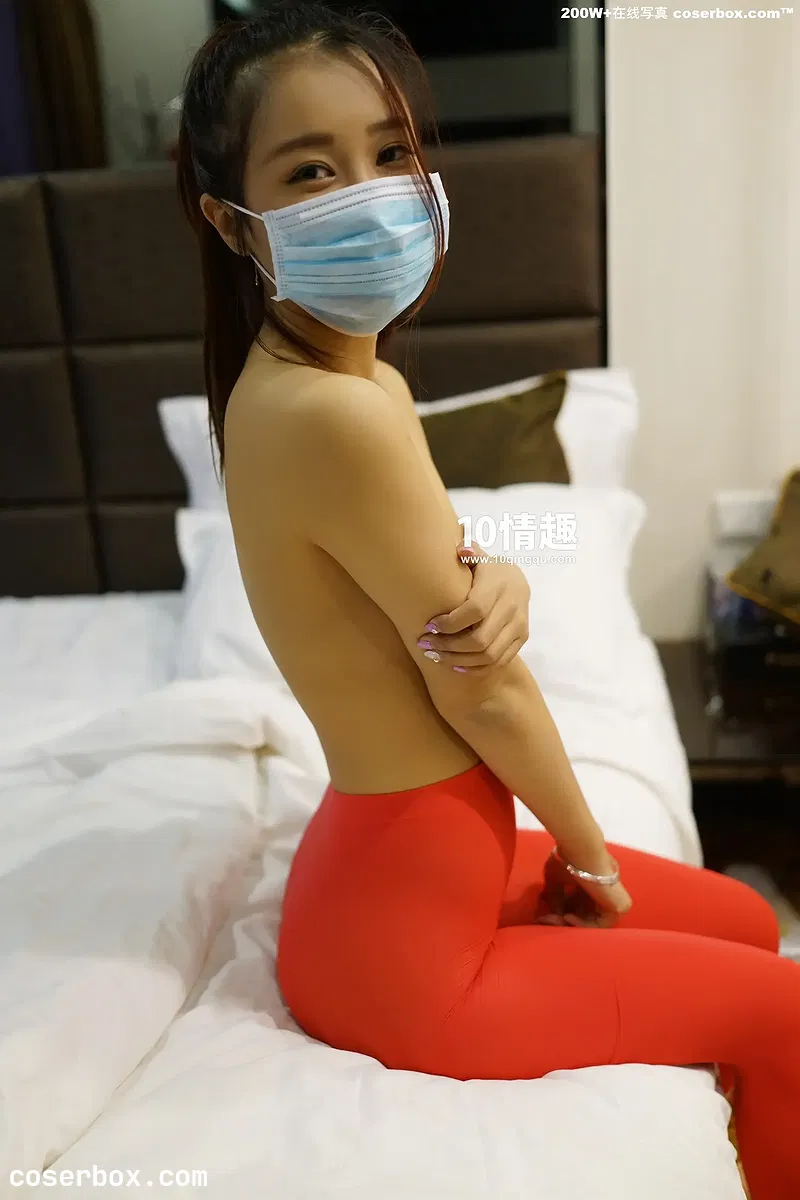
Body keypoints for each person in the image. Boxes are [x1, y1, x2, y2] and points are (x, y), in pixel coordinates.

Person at [178, 5, 799, 1195]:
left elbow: (428, 575)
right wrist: (588, 858)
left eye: (390, 152)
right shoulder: (336, 411)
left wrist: (499, 570)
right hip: (406, 952)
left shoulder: (327, 381)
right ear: (231, 219)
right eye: (311, 171)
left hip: (414, 869)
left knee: (740, 919)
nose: (370, 194)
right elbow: (488, 690)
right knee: (782, 1004)